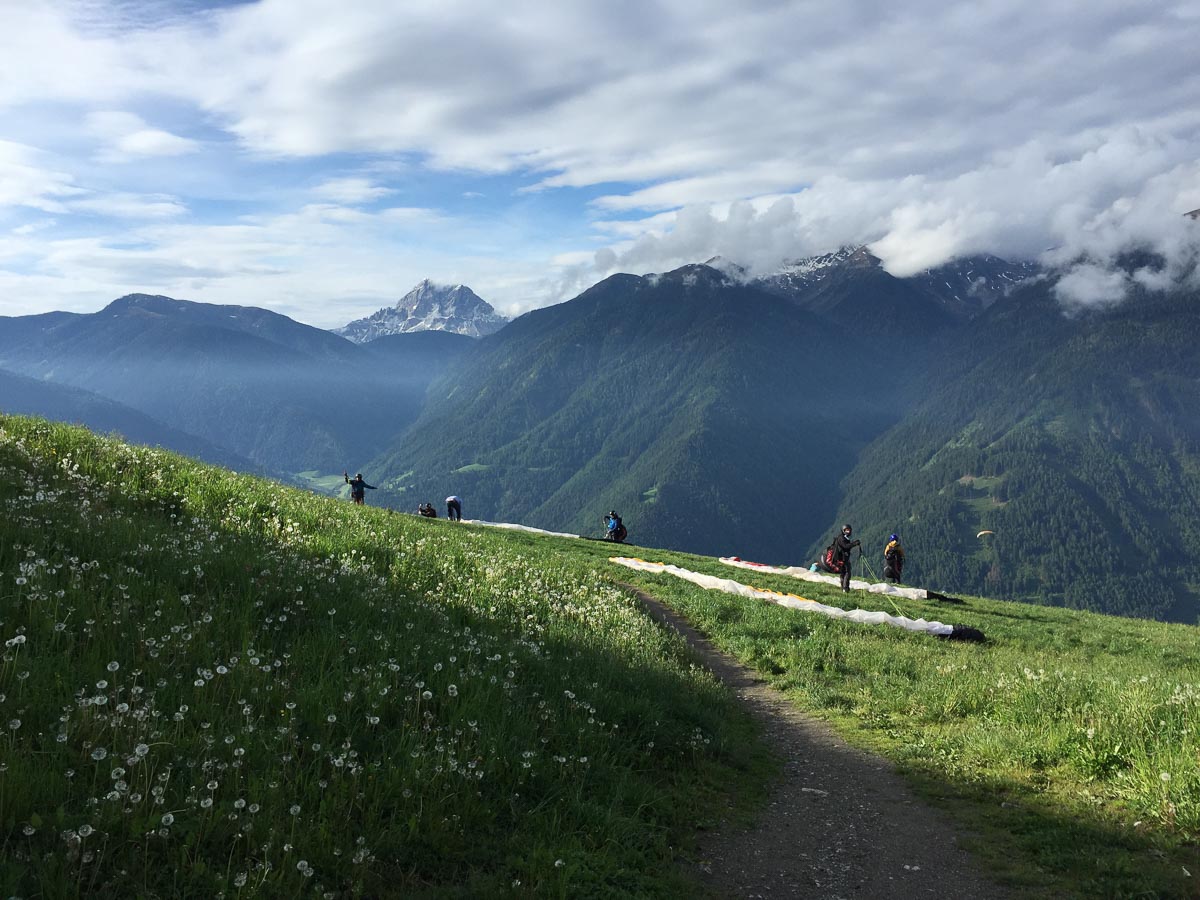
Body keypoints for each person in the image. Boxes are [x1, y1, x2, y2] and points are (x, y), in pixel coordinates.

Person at [831, 524, 861, 592]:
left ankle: (843, 588)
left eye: (849, 530)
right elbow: (845, 546)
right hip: (842, 559)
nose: (848, 532)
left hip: (841, 558)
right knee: (847, 573)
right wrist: (854, 543)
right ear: (843, 530)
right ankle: (845, 588)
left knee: (843, 573)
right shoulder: (841, 538)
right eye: (847, 530)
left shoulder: (843, 537)